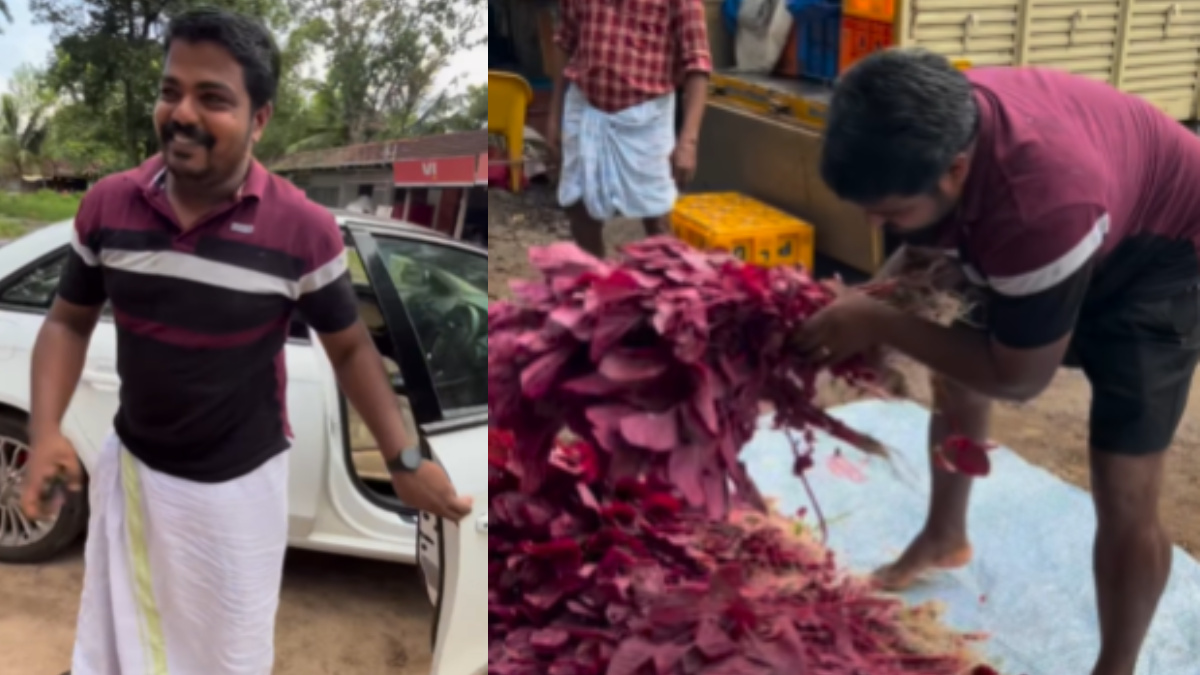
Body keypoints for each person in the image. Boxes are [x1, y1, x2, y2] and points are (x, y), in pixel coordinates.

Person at [19, 9, 472, 675]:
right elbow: (66, 321)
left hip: (239, 489)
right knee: (126, 643)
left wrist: (404, 457)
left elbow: (349, 348)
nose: (182, 113)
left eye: (213, 98)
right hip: (139, 472)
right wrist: (47, 425)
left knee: (226, 655)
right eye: (171, 90)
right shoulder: (108, 207)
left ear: (260, 118)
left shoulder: (302, 230)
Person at [797, 48, 1200, 675]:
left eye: (891, 213)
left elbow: (1019, 378)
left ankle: (1116, 668)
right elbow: (923, 263)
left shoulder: (1037, 206)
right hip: (1083, 211)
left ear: (956, 171)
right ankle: (944, 536)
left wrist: (877, 319)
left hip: (1165, 255)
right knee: (955, 376)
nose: (876, 226)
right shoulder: (930, 122)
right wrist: (878, 298)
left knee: (1125, 488)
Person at [547, 0, 712, 258]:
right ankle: (594, 283)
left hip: (647, 116)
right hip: (585, 104)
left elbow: (698, 64)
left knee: (657, 217)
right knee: (579, 207)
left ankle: (667, 290)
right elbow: (564, 40)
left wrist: (688, 142)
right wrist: (554, 114)